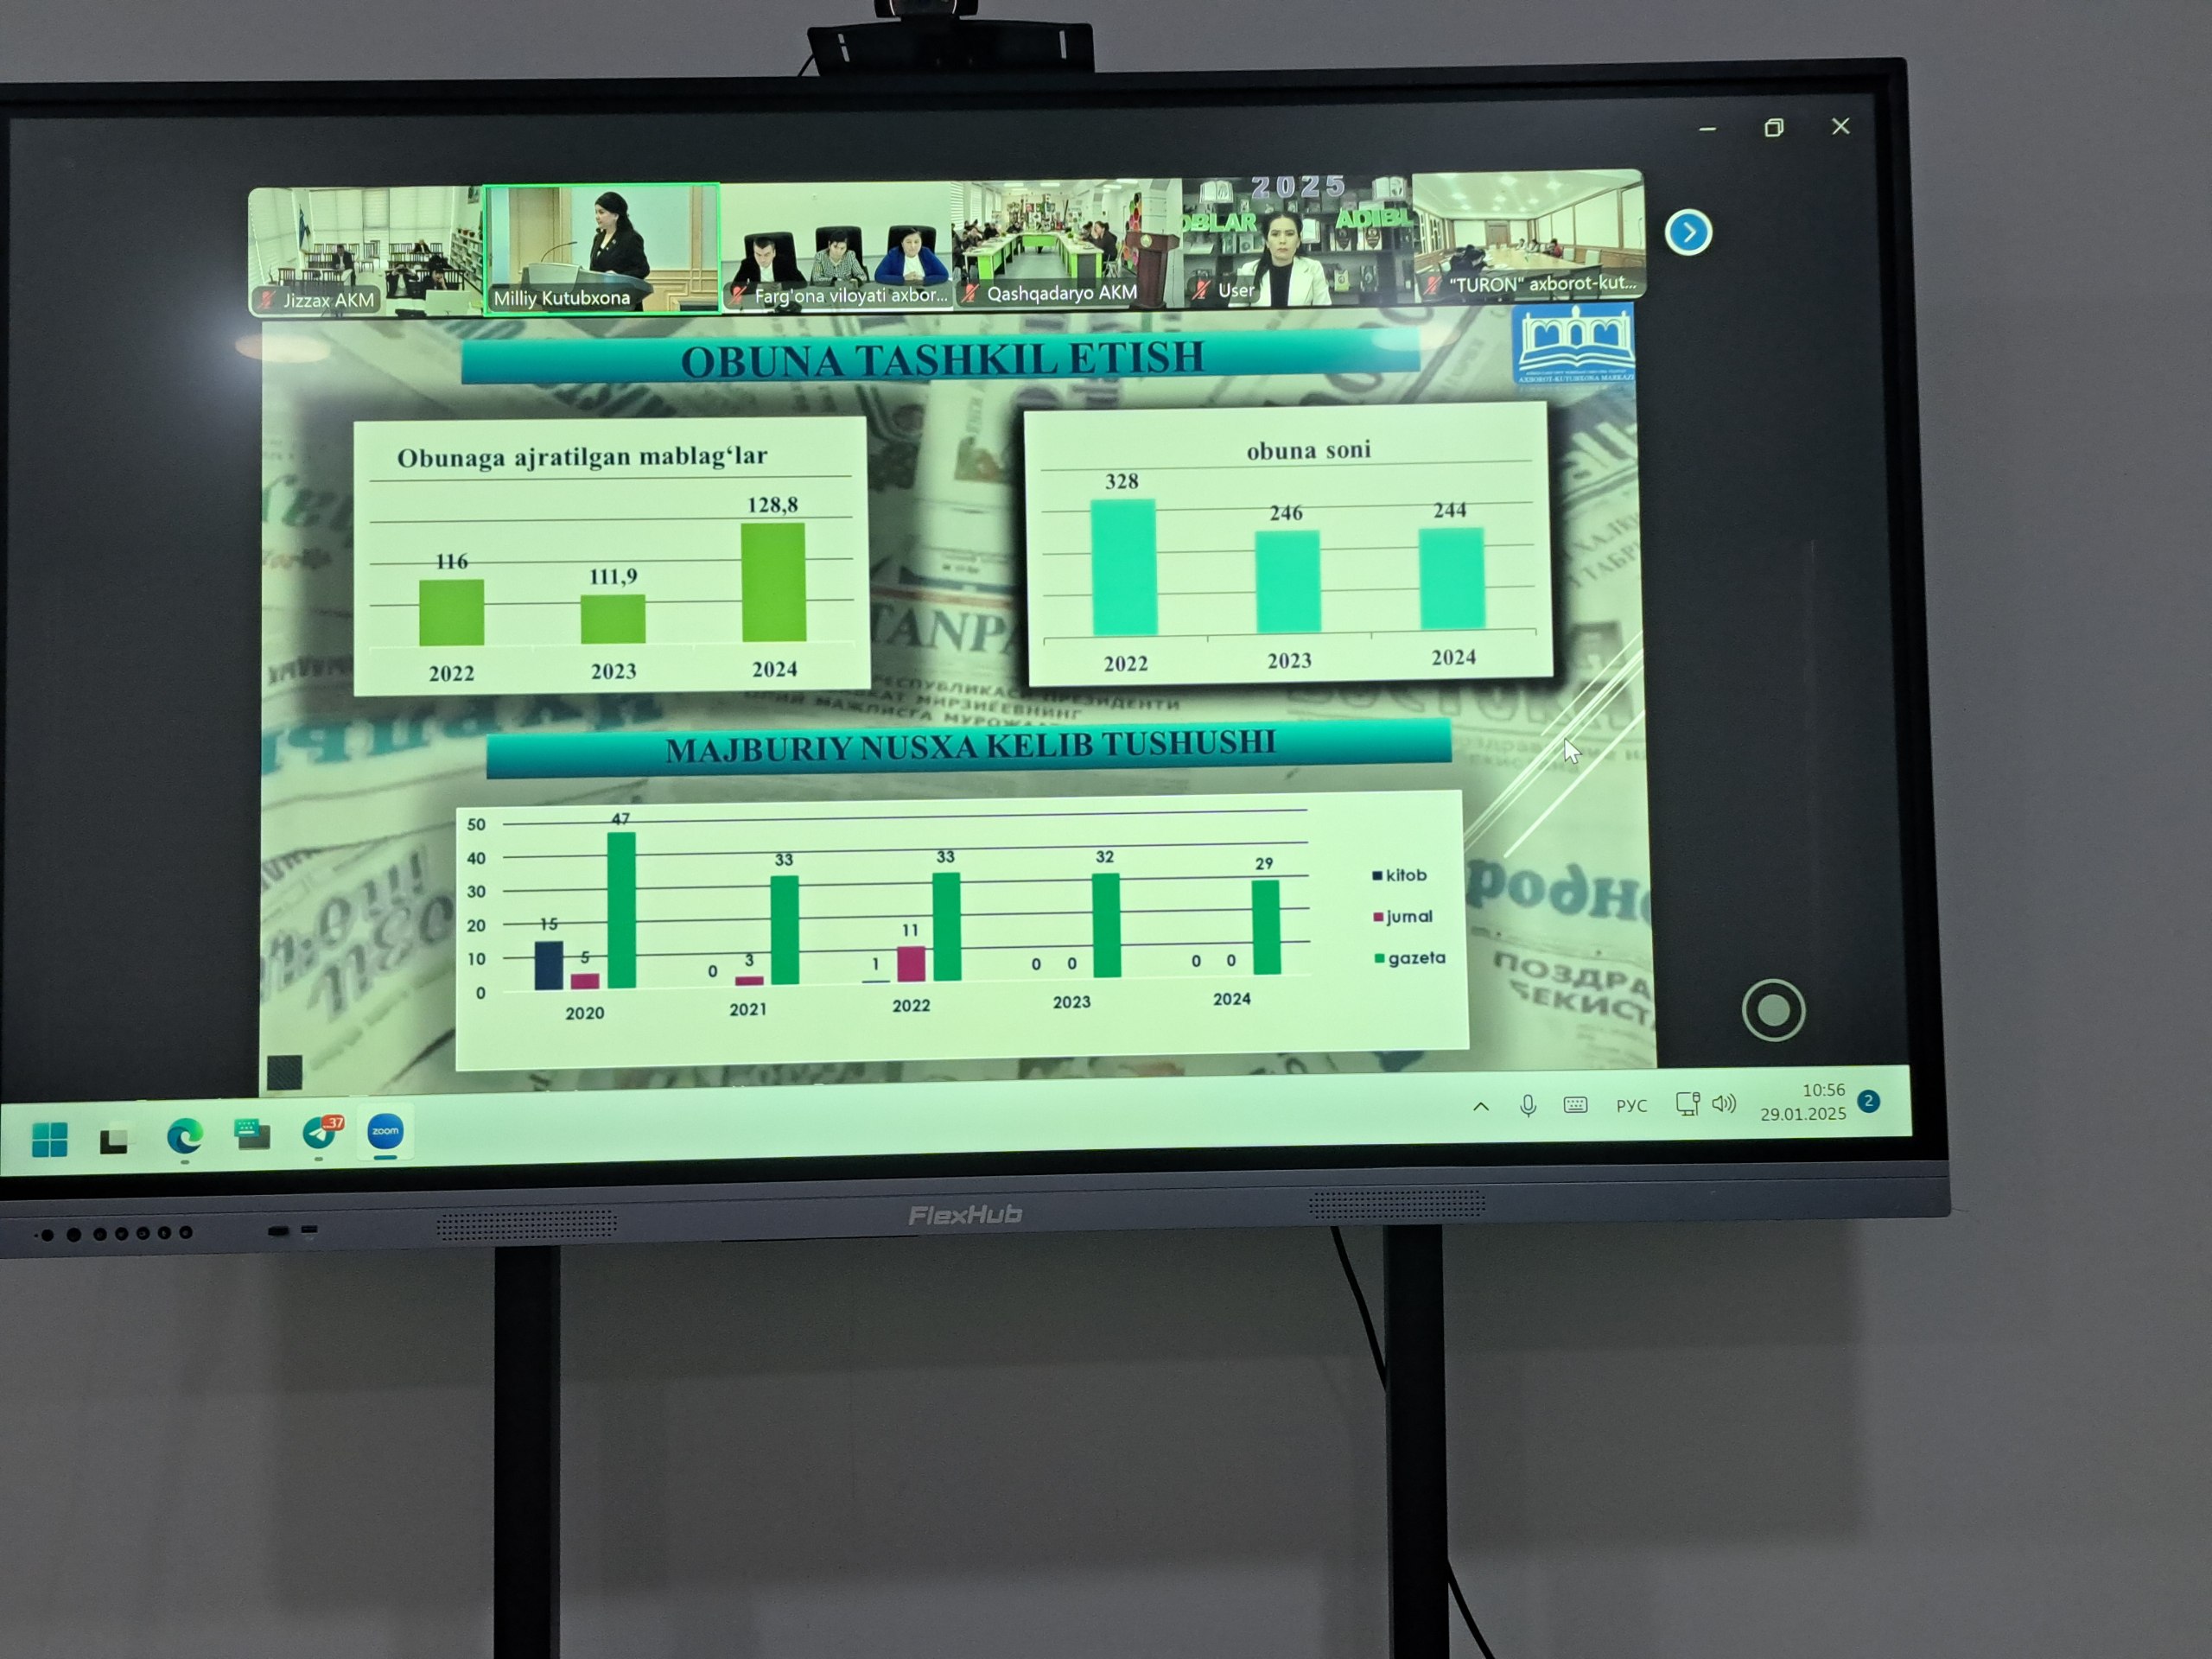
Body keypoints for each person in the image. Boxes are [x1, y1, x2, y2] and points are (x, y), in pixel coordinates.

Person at [1235, 209, 1332, 308]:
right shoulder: (1248, 270)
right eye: (1275, 234)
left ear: (1298, 241)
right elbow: (1235, 313)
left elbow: (1324, 312)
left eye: (1289, 234)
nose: (1282, 241)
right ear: (1267, 242)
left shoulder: (1314, 268)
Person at [588, 191, 651, 282]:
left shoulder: (631, 239)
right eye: (596, 212)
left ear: (616, 215)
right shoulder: (598, 238)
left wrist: (618, 277)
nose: (597, 217)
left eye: (601, 212)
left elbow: (643, 270)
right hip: (598, 289)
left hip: (622, 289)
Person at [874, 227, 949, 287]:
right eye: (908, 242)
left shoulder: (926, 253)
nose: (913, 246)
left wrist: (923, 279)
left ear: (921, 242)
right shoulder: (894, 254)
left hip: (925, 294)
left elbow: (944, 275)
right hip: (899, 294)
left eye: (916, 242)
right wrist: (903, 279)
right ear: (902, 243)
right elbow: (879, 276)